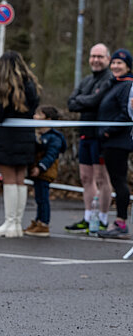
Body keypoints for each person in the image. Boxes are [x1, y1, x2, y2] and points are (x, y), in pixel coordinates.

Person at [0, 51, 41, 238]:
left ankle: (10, 223)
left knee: (9, 180)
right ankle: (16, 223)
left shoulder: (6, 88)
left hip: (8, 139)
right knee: (20, 180)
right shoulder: (31, 86)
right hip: (26, 137)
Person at [65, 43, 113, 234]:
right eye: (93, 56)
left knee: (102, 178)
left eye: (100, 57)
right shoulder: (86, 81)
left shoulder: (109, 79)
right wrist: (86, 101)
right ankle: (88, 217)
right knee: (86, 177)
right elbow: (71, 103)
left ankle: (102, 218)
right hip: (85, 133)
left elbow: (95, 101)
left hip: (101, 136)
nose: (96, 60)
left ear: (107, 59)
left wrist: (83, 101)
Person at [95, 49, 133, 239]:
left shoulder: (127, 85)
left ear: (128, 66)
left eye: (120, 63)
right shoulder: (115, 84)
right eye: (114, 63)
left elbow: (126, 113)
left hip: (118, 141)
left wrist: (108, 130)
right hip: (110, 141)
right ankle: (119, 221)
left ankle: (121, 222)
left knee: (119, 181)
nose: (116, 66)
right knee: (116, 180)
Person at [24, 106, 66, 238]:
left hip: (45, 172)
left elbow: (51, 155)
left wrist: (40, 167)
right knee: (38, 197)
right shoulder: (38, 135)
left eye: (39, 115)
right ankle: (37, 220)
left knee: (43, 198)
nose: (35, 117)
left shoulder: (54, 138)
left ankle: (43, 223)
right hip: (37, 171)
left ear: (48, 119)